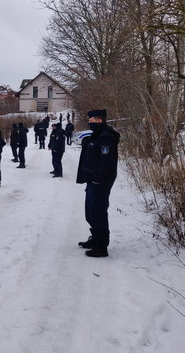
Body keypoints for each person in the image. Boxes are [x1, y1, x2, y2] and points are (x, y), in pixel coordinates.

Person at [76, 109, 120, 258]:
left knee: (98, 212)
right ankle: (95, 239)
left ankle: (101, 247)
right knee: (90, 212)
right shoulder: (97, 135)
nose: (89, 122)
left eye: (92, 120)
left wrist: (98, 178)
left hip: (101, 181)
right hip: (93, 180)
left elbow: (106, 162)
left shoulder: (106, 136)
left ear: (99, 120)